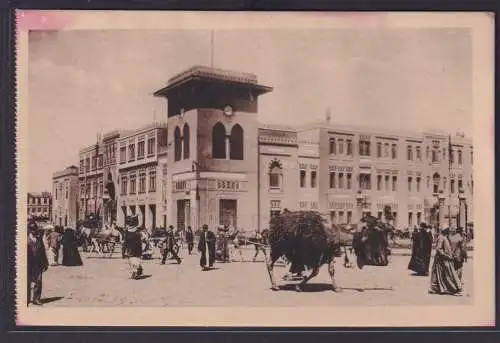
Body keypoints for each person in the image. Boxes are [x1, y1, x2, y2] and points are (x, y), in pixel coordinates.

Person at [429, 228, 462, 295]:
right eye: (448, 230)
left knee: (444, 275)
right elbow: (439, 248)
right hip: (443, 259)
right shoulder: (441, 238)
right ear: (445, 231)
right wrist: (446, 255)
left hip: (445, 259)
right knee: (448, 275)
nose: (449, 231)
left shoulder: (444, 237)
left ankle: (438, 288)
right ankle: (454, 289)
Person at [27, 222, 49, 306]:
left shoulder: (39, 238)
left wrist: (45, 262)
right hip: (28, 264)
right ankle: (27, 299)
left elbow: (42, 251)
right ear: (28, 229)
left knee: (38, 281)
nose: (33, 231)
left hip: (38, 263)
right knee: (27, 282)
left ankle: (36, 298)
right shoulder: (25, 239)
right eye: (31, 229)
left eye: (34, 229)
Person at [124, 215, 143, 279]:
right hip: (130, 249)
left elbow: (139, 242)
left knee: (135, 262)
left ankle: (135, 273)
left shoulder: (137, 231)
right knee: (131, 262)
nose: (129, 225)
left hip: (136, 249)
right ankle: (135, 273)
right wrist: (124, 251)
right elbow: (125, 242)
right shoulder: (127, 231)